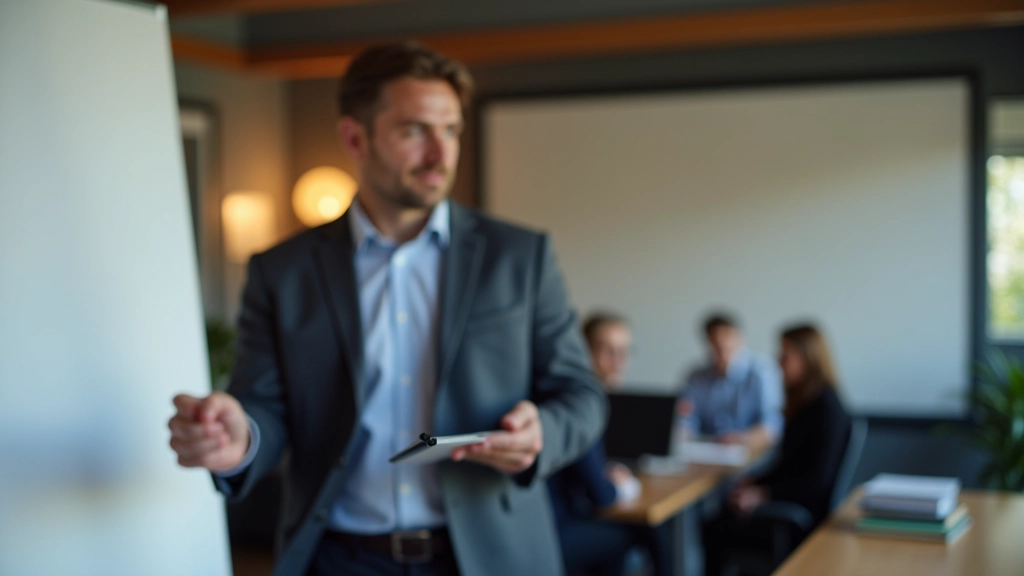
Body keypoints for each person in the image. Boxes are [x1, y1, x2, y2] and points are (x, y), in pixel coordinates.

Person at [166, 41, 606, 576]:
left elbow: (582, 396)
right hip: (338, 559)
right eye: (415, 130)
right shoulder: (281, 271)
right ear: (355, 138)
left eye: (450, 130)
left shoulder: (520, 257)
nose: (440, 154)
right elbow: (264, 407)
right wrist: (242, 438)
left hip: (491, 556)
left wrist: (544, 434)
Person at [702, 323, 852, 575]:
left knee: (713, 527)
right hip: (789, 502)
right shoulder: (805, 403)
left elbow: (816, 479)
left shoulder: (826, 409)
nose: (778, 362)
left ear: (808, 358)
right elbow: (789, 464)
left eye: (786, 355)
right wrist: (755, 482)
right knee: (720, 514)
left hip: (797, 516)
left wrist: (764, 493)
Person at [547, 313, 671, 576]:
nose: (618, 362)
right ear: (583, 350)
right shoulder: (580, 402)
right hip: (552, 530)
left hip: (559, 518)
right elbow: (601, 496)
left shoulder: (581, 395)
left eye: (624, 352)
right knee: (652, 530)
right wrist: (623, 485)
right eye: (607, 350)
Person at [679, 313, 783, 451]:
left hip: (750, 455)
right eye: (715, 339)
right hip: (708, 453)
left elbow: (772, 424)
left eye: (726, 336)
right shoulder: (696, 377)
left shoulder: (762, 372)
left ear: (740, 337)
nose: (721, 343)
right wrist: (682, 431)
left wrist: (742, 439)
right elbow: (687, 419)